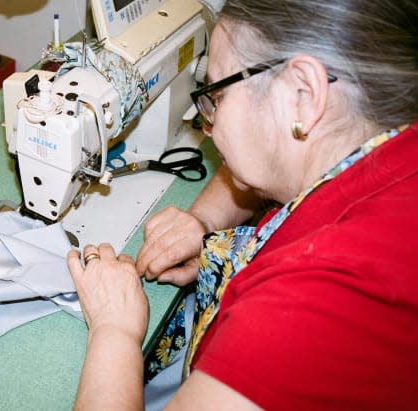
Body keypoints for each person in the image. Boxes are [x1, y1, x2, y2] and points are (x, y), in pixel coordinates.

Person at [67, 0, 418, 409]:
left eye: (217, 93)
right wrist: (202, 220)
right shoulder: (388, 152)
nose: (206, 123)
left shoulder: (318, 303)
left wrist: (115, 331)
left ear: (304, 95)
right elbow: (275, 156)